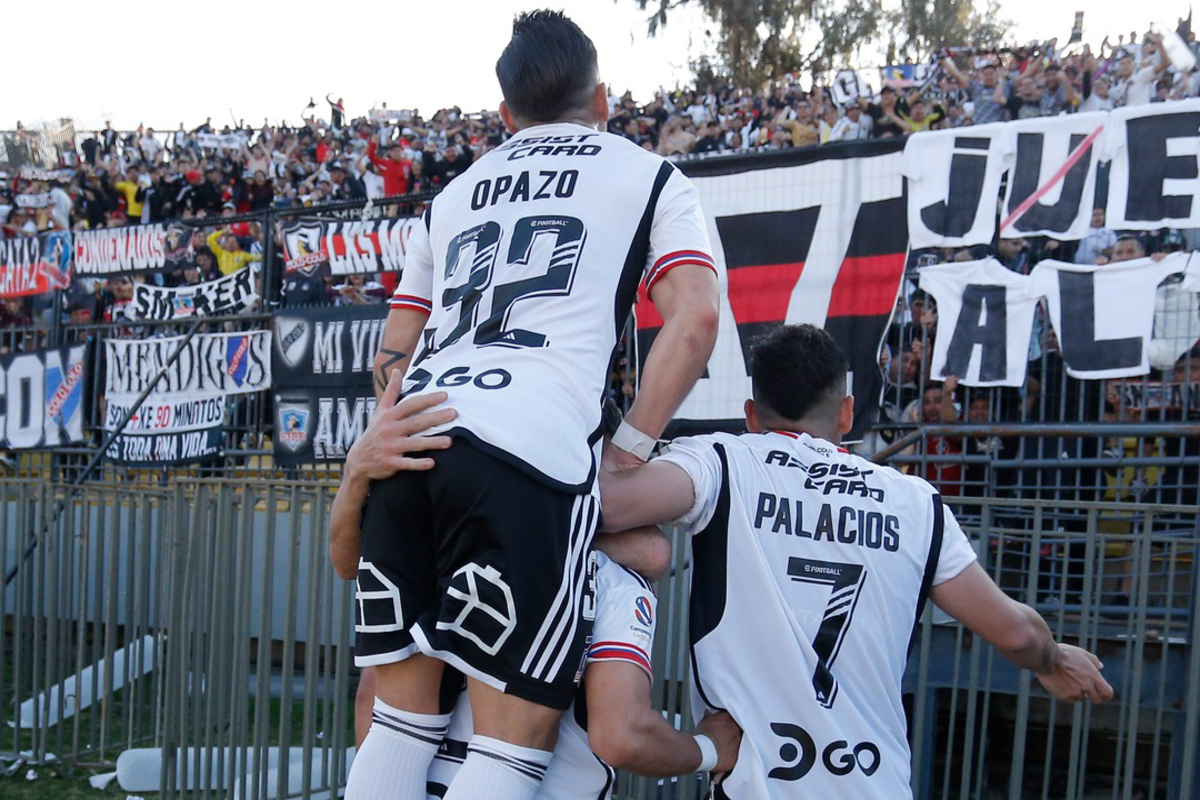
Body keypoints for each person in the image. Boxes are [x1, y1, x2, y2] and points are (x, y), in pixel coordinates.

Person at [345, 11, 719, 800]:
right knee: (514, 742)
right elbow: (696, 319)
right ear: (604, 98)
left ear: (505, 114)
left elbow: (392, 350)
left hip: (416, 434)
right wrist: (629, 449)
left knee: (400, 721)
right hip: (529, 448)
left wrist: (390, 431)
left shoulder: (449, 199)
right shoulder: (649, 175)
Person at [599, 324, 1113, 799]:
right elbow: (1018, 634)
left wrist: (650, 546)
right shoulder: (915, 502)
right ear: (846, 413)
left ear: (752, 415)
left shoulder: (721, 462)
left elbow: (607, 505)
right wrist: (1054, 658)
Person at [331, 374, 740, 797]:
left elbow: (370, 699)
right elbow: (622, 733)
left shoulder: (439, 531)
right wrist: (710, 749)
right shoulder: (612, 578)